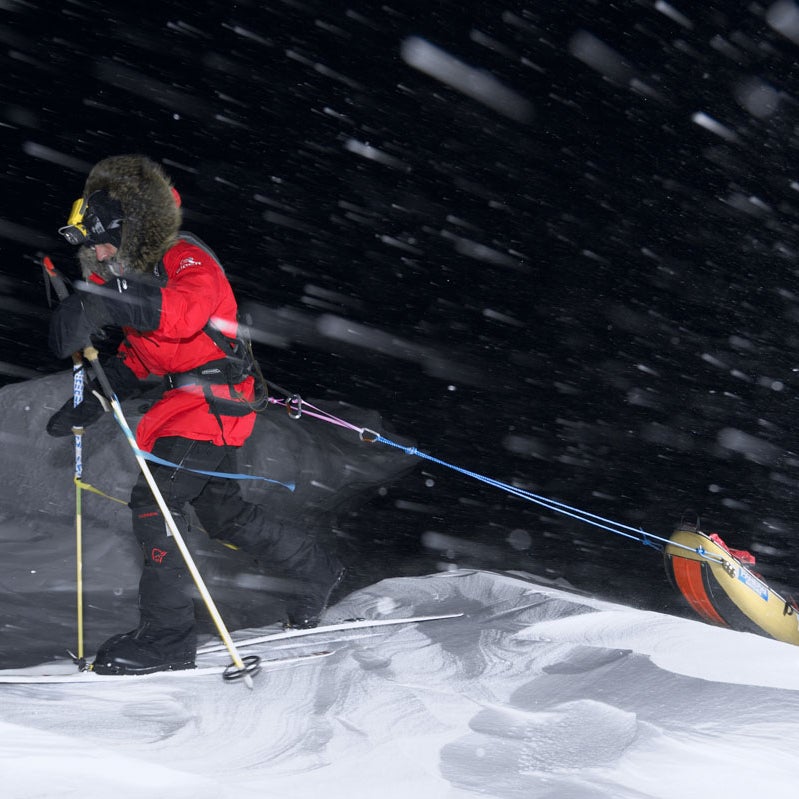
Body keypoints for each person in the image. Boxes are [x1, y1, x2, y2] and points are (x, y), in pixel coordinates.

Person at [47, 154, 343, 675]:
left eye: (100, 239)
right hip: (191, 409)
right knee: (222, 513)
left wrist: (103, 301)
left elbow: (183, 314)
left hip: (212, 406)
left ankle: (167, 639)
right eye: (89, 246)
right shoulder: (137, 282)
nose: (96, 252)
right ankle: (314, 573)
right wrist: (86, 399)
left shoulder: (186, 259)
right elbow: (142, 360)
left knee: (154, 503)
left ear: (129, 228)